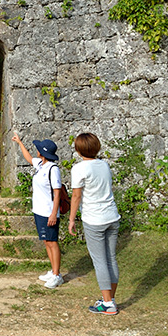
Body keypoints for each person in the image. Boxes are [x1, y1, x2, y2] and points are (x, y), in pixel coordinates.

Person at [68, 132, 121, 315]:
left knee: (99, 261)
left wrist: (71, 219)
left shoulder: (79, 169)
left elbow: (76, 196)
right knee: (110, 258)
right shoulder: (104, 165)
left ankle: (107, 303)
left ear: (78, 149)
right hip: (112, 216)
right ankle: (110, 299)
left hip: (94, 219)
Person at [11, 131, 64, 289]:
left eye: (39, 148)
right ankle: (53, 271)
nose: (37, 150)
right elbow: (28, 158)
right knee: (47, 241)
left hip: (49, 212)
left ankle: (57, 275)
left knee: (52, 242)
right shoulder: (41, 165)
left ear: (43, 152)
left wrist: (54, 213)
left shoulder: (52, 169)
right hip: (39, 210)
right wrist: (19, 142)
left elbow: (57, 192)